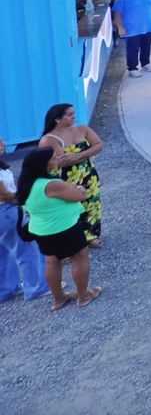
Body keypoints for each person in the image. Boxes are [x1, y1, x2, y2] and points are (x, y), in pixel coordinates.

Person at [14, 149, 99, 310]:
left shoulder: (27, 184)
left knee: (52, 261)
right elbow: (79, 196)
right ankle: (83, 296)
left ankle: (58, 299)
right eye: (53, 158)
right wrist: (80, 190)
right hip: (65, 227)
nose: (58, 159)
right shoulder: (51, 184)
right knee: (79, 257)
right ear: (44, 164)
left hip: (41, 230)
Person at [39, 103, 104, 248]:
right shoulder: (48, 140)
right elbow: (58, 162)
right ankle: (74, 240)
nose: (74, 117)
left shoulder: (82, 129)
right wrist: (83, 155)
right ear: (57, 119)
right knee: (70, 208)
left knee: (92, 203)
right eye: (69, 115)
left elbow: (99, 144)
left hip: (88, 174)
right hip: (65, 178)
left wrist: (78, 155)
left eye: (73, 114)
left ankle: (91, 235)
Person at [0, 138, 48, 302]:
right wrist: (25, 198)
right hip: (6, 211)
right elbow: (4, 195)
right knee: (26, 250)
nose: (3, 144)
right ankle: (36, 287)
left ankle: (6, 289)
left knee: (3, 252)